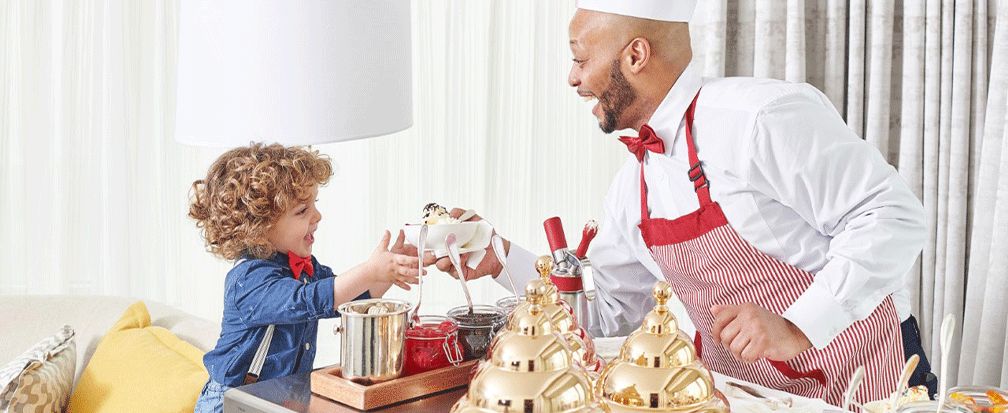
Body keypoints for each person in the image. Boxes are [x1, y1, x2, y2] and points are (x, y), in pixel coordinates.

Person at [432, 0, 936, 406]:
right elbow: (605, 316)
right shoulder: (633, 186)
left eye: (581, 59)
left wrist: (797, 326)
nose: (573, 79)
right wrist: (501, 257)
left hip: (872, 384)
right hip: (750, 398)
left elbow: (892, 216)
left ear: (635, 55)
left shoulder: (759, 118)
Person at [189, 143, 423, 413]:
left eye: (315, 205)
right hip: (234, 402)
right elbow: (307, 300)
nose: (317, 216)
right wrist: (370, 270)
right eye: (302, 211)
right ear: (258, 229)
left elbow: (344, 300)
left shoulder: (301, 267)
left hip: (278, 400)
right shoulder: (248, 281)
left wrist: (389, 270)